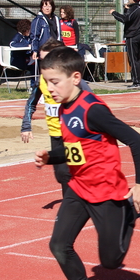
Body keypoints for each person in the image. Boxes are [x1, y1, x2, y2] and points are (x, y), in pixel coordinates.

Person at [34, 46, 140, 280]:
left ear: (76, 77)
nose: (49, 88)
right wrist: (51, 157)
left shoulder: (93, 110)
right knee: (58, 245)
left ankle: (132, 209)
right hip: (79, 188)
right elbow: (77, 150)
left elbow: (137, 141)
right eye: (46, 82)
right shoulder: (64, 107)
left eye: (54, 82)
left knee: (111, 262)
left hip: (106, 192)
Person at [21, 39, 94, 193]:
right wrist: (26, 126)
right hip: (55, 134)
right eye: (41, 60)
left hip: (74, 134)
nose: (44, 64)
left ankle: (79, 202)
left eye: (47, 59)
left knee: (75, 171)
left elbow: (91, 102)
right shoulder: (41, 81)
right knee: (61, 174)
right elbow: (31, 103)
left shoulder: (73, 81)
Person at [110, 0, 140, 88]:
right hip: (138, 36)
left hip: (132, 37)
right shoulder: (138, 10)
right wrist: (126, 9)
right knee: (137, 59)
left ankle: (137, 81)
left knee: (133, 59)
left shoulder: (135, 9)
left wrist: (114, 13)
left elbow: (125, 19)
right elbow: (129, 18)